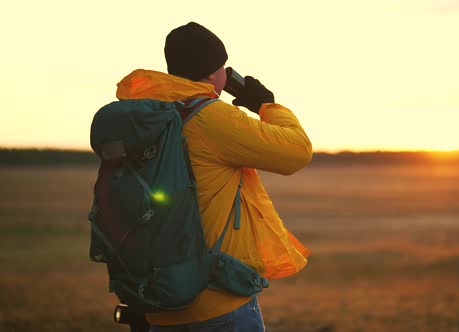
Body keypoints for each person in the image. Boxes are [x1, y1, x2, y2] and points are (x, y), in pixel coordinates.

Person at [114, 22, 313, 331]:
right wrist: (266, 104)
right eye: (223, 67)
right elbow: (297, 151)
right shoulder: (210, 117)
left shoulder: (146, 117)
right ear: (211, 73)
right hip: (216, 305)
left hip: (157, 299)